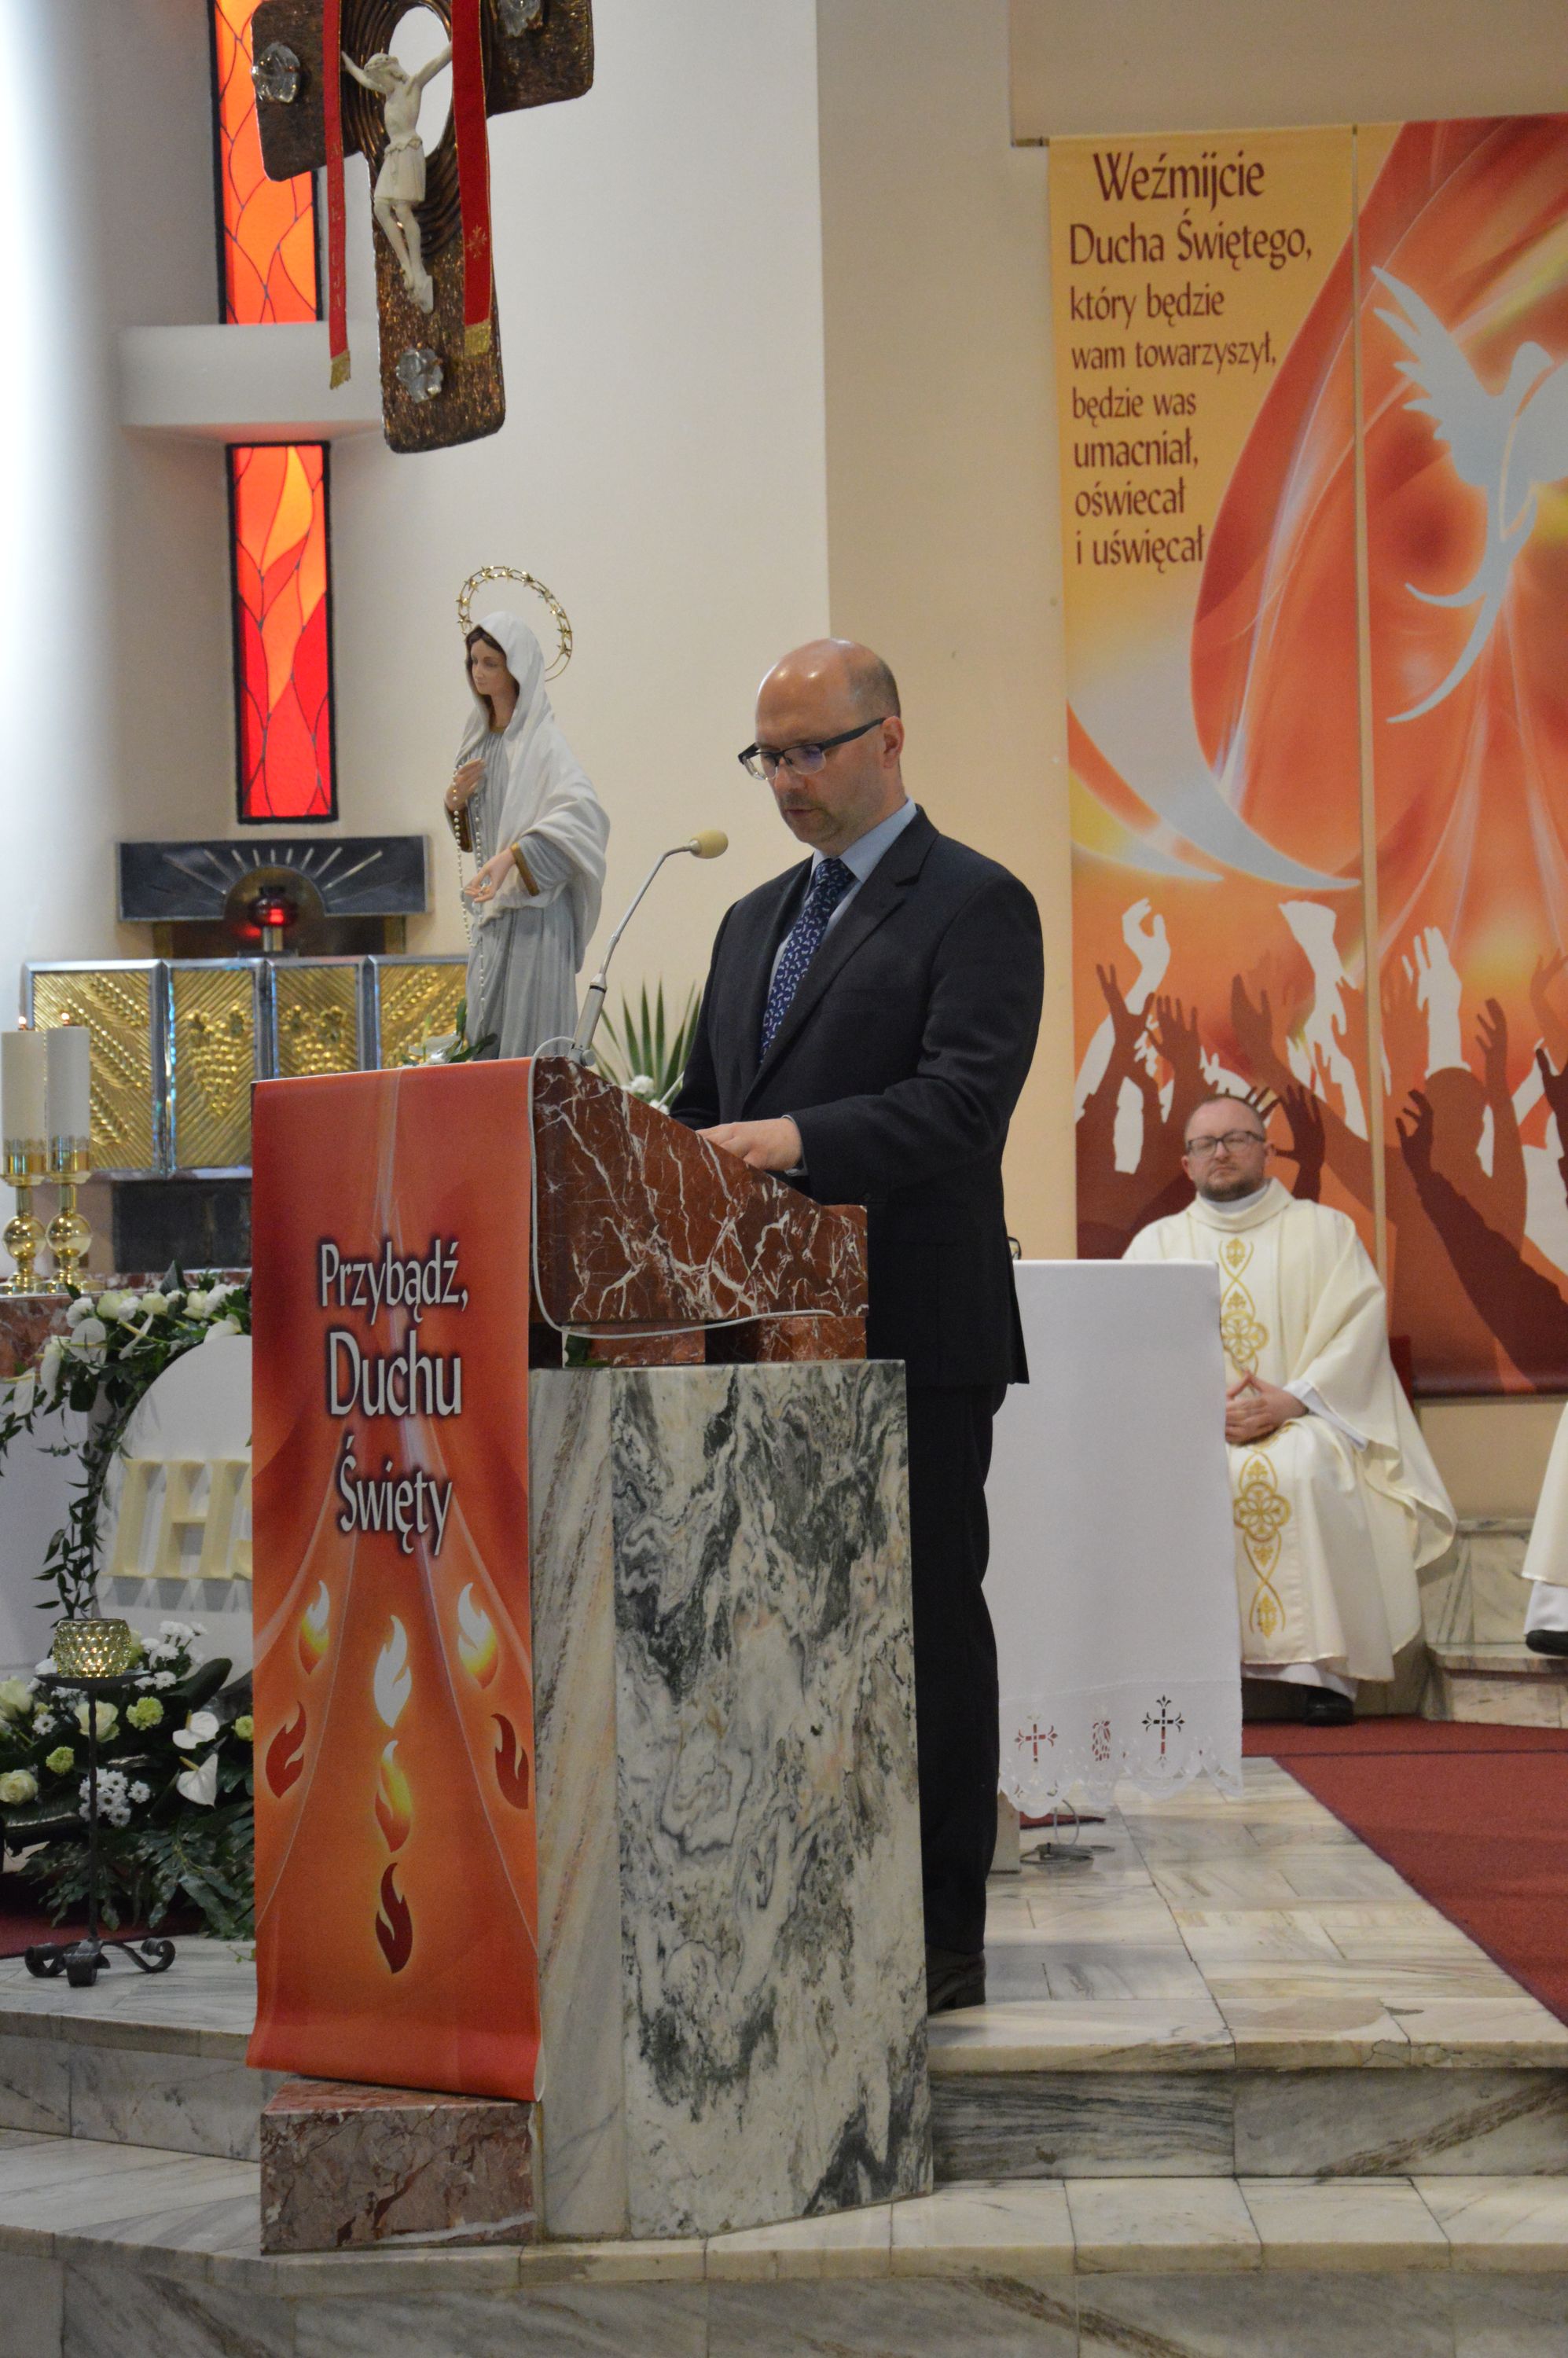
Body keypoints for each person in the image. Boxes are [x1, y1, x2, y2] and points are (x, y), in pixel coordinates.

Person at [671, 638, 1043, 2014]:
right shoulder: (748, 920)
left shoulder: (975, 903)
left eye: (809, 751)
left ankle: (940, 1933)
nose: (785, 781)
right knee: (770, 1631)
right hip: (759, 1336)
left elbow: (961, 1104)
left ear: (890, 737)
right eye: (766, 757)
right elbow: (702, 1109)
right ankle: (793, 1905)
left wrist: (794, 1140)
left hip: (912, 1333)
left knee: (923, 1627)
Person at [1125, 1094, 1455, 1722]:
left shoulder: (1324, 1232)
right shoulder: (1154, 1246)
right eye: (1204, 1144)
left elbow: (1356, 1333)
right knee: (1183, 1476)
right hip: (1194, 1429)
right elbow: (1133, 1353)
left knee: (1306, 1467)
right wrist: (1199, 1413)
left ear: (1266, 1151)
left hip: (1305, 1417)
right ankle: (1189, 1677)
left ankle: (1322, 1677)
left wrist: (1292, 1400)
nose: (1220, 1153)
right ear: (1187, 1163)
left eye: (1236, 1139)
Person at [444, 611, 608, 1058]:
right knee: (485, 1029)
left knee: (529, 1032)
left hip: (537, 915)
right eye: (474, 662)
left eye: (491, 663)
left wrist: (513, 857)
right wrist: (455, 802)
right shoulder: (477, 739)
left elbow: (584, 817)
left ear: (517, 668)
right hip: (493, 912)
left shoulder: (542, 742)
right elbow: (474, 831)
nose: (479, 672)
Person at [343, 44, 452, 312]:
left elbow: (439, 59)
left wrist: (462, 35)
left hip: (409, 151)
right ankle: (405, 263)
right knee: (380, 207)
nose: (379, 85)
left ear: (390, 72)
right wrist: (348, 64)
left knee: (402, 209)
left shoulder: (412, 85)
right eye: (377, 81)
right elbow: (364, 79)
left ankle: (418, 269)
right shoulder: (388, 92)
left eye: (380, 79)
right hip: (394, 155)